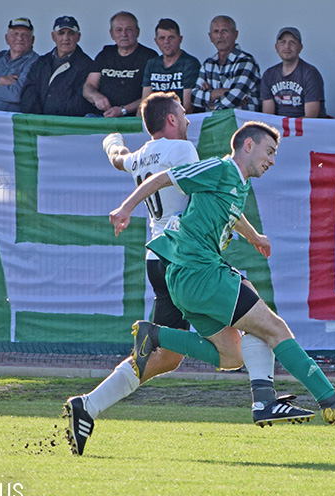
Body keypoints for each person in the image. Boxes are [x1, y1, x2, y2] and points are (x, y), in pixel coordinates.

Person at [63, 93, 306, 455]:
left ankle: (89, 404)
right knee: (253, 317)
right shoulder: (183, 151)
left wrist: (111, 141)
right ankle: (263, 397)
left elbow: (118, 159)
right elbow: (211, 198)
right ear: (172, 120)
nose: (189, 120)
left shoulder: (140, 155)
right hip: (184, 258)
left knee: (166, 356)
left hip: (155, 260)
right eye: (184, 113)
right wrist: (253, 234)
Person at [109, 121, 335, 430]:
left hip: (193, 276)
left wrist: (254, 237)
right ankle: (326, 401)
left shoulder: (238, 182)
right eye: (270, 151)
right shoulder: (219, 169)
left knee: (231, 356)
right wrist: (125, 208)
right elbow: (162, 178)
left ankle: (157, 335)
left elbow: (231, 214)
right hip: (200, 272)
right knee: (274, 328)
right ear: (248, 145)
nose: (272, 161)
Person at [83, 12, 157, 118]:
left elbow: (153, 95)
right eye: (118, 30)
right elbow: (88, 86)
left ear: (138, 32)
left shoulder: (149, 57)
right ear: (111, 34)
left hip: (132, 119)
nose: (124, 34)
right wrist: (96, 97)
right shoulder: (105, 54)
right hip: (101, 117)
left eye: (129, 29)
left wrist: (123, 110)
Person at [19, 16, 93, 116]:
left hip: (67, 127)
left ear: (78, 37)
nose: (65, 38)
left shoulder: (88, 66)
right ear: (53, 36)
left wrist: (51, 119)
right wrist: (39, 119)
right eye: (61, 33)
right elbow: (28, 94)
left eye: (71, 33)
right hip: (36, 125)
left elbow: (80, 104)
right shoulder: (40, 63)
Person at [191, 15, 260, 112]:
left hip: (242, 124)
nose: (220, 35)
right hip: (215, 124)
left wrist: (212, 105)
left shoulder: (246, 61)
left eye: (224, 31)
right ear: (210, 37)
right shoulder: (208, 64)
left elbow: (234, 97)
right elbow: (194, 97)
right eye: (216, 31)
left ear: (235, 34)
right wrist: (218, 93)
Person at [260, 27, 326, 118]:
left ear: (300, 47)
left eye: (292, 42)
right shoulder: (268, 75)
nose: (287, 46)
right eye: (283, 42)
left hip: (305, 130)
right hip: (278, 130)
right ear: (276, 47)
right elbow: (268, 116)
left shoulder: (310, 74)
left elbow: (311, 117)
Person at [141, 18, 200, 114]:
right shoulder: (152, 64)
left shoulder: (190, 63)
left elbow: (188, 107)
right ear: (156, 41)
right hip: (155, 121)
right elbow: (145, 103)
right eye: (162, 38)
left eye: (171, 37)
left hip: (182, 121)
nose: (166, 41)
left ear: (180, 39)